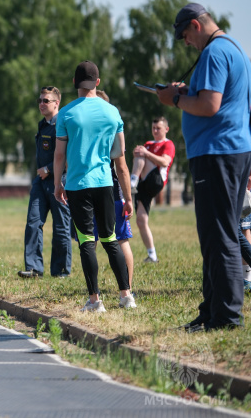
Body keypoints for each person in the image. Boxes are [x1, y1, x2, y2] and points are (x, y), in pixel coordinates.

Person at [157, 3, 251, 332]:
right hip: (234, 151)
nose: (186, 43)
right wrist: (185, 91)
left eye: (185, 36)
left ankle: (226, 317)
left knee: (219, 235)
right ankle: (211, 312)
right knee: (218, 234)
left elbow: (210, 105)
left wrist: (176, 99)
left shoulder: (213, 54)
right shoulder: (236, 49)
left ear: (196, 25)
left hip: (216, 153)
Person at [54, 61, 134, 312]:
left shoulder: (66, 113)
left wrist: (58, 184)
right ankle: (126, 296)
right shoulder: (112, 112)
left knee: (87, 242)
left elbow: (59, 155)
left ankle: (95, 301)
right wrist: (128, 196)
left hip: (78, 185)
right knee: (111, 239)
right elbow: (120, 154)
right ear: (97, 83)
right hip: (105, 183)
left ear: (75, 83)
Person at [19, 86, 72, 278]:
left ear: (57, 103)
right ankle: (33, 269)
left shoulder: (62, 124)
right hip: (40, 183)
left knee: (60, 227)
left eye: (46, 101)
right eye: (40, 100)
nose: (41, 104)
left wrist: (49, 169)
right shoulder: (43, 124)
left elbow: (67, 155)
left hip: (59, 181)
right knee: (33, 223)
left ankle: (61, 271)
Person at [94, 90, 135, 295]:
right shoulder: (112, 129)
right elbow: (122, 167)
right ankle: (126, 290)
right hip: (110, 189)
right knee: (119, 240)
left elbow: (122, 168)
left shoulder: (81, 129)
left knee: (90, 242)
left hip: (87, 189)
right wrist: (129, 199)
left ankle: (93, 294)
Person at [130, 117, 175, 263]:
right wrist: (137, 152)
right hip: (144, 184)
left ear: (166, 129)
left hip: (156, 180)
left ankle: (131, 184)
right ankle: (152, 255)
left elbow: (165, 162)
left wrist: (145, 153)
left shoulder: (168, 144)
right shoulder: (148, 144)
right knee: (141, 220)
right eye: (153, 128)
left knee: (142, 153)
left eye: (158, 128)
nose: (155, 131)